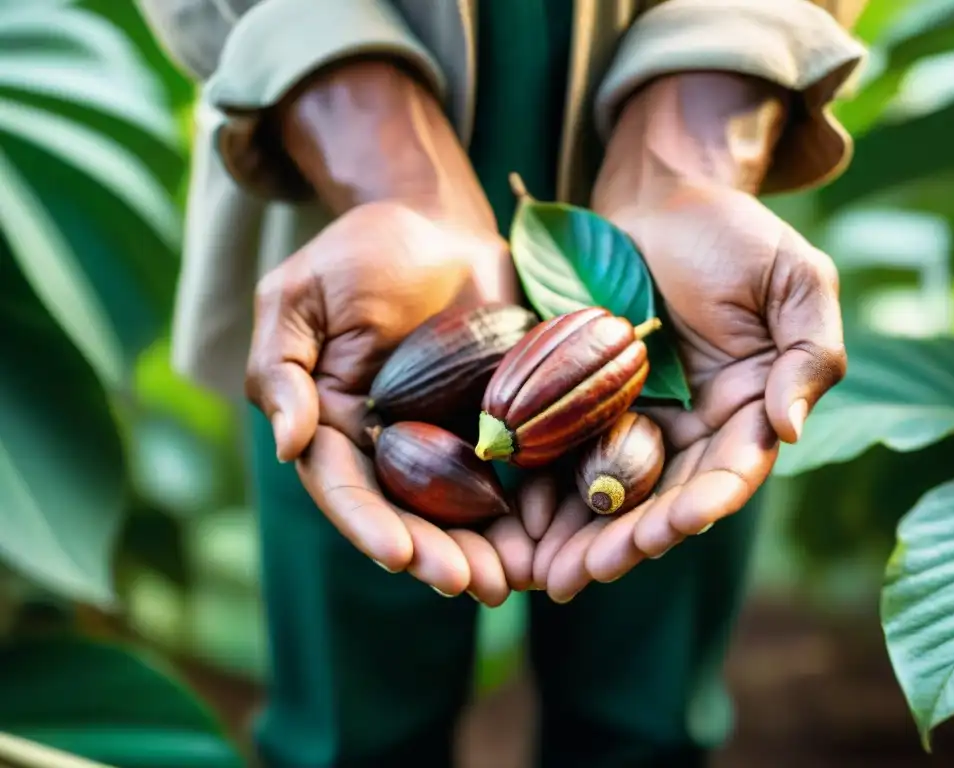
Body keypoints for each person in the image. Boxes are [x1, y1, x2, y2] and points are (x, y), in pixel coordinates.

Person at [137, 1, 867, 765]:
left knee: (644, 707)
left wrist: (688, 151)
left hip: (686, 269)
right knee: (351, 712)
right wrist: (375, 145)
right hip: (351, 225)